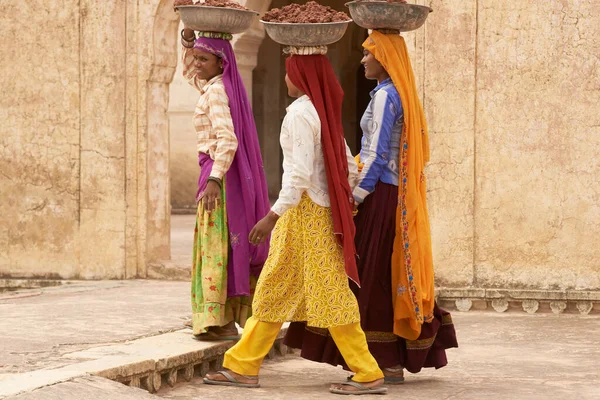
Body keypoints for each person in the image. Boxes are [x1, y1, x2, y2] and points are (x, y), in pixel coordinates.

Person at [202, 47, 387, 395]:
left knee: (328, 292)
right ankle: (243, 365)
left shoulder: (300, 115)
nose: (286, 77)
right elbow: (347, 166)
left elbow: (298, 174)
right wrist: (342, 201)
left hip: (304, 214)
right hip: (317, 211)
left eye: (289, 71)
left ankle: (367, 372)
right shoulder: (322, 111)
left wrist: (272, 216)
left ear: (299, 76)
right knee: (275, 287)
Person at [284, 30, 458, 383]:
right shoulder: (396, 94)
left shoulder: (384, 97)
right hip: (394, 196)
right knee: (385, 274)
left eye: (369, 54)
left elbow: (377, 156)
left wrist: (355, 199)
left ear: (386, 59)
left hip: (379, 196)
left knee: (372, 275)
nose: (363, 60)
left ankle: (383, 364)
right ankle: (387, 359)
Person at [180, 27, 271, 340]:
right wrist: (187, 45)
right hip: (215, 172)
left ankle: (220, 320)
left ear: (222, 63)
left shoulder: (217, 92)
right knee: (217, 246)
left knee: (215, 246)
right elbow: (189, 74)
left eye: (204, 59)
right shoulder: (213, 86)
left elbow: (227, 140)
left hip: (217, 176)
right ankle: (221, 318)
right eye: (197, 59)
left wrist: (215, 179)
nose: (197, 64)